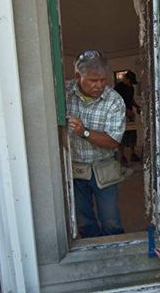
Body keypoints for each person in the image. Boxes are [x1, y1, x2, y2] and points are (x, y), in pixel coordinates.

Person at [66, 49, 126, 237]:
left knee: (111, 219)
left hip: (104, 167)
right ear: (78, 76)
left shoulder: (114, 101)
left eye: (103, 79)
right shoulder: (64, 93)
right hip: (75, 168)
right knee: (84, 220)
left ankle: (116, 253)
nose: (99, 85)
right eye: (93, 80)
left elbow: (113, 141)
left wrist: (83, 132)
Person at [114, 71, 141, 166]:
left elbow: (131, 99)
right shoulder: (118, 88)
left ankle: (132, 153)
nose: (131, 84)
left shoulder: (131, 88)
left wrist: (137, 106)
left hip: (130, 114)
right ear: (127, 79)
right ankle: (122, 156)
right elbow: (116, 102)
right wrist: (125, 111)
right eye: (130, 82)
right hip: (120, 115)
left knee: (133, 133)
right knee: (122, 135)